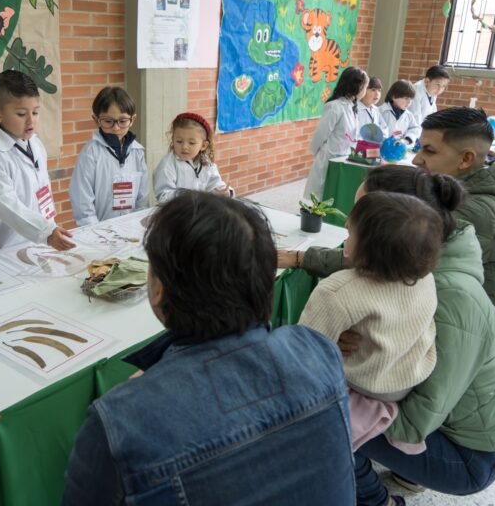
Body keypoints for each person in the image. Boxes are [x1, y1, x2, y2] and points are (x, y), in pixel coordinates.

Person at [62, 191, 355, 505]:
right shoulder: (319, 352)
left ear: (158, 289)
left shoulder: (118, 423)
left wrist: (139, 396)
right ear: (268, 278)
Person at [279, 165, 495, 506]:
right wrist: (300, 258)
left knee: (318, 423)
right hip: (442, 417)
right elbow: (358, 266)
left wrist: (353, 410)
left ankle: (379, 500)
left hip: (471, 454)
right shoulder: (415, 262)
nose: (347, 224)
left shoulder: (455, 299)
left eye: (357, 217)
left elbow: (418, 421)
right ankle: (403, 467)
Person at [299, 191, 442, 450]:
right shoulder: (425, 278)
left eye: (350, 233)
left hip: (366, 383)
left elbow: (304, 352)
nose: (346, 234)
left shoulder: (337, 291)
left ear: (370, 247)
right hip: (408, 379)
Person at [414, 107, 495, 367]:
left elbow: (405, 266)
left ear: (466, 159)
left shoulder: (473, 211)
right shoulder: (475, 190)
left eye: (429, 151)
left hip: (481, 349)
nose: (416, 160)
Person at [0, 70, 76, 254]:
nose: (31, 121)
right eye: (21, 114)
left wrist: (49, 227)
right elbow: (4, 203)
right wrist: (46, 232)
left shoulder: (35, 144)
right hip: (1, 249)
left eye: (35, 112)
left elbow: (43, 191)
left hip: (37, 244)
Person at [69, 86, 149, 226]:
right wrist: (97, 232)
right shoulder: (90, 153)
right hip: (99, 230)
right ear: (96, 119)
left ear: (132, 119)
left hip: (131, 228)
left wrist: (138, 226)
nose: (116, 128)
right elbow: (83, 202)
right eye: (108, 121)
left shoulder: (137, 152)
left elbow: (142, 199)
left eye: (122, 121)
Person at [304, 66, 369, 199]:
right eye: (365, 87)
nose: (365, 91)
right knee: (320, 194)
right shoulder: (335, 106)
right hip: (329, 157)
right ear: (356, 86)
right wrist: (316, 152)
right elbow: (321, 134)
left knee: (334, 193)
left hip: (343, 158)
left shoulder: (353, 106)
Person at [153, 112, 233, 203]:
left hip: (201, 209)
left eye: (191, 143)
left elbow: (214, 184)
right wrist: (195, 197)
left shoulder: (206, 162)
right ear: (173, 140)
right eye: (179, 141)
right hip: (177, 211)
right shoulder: (167, 165)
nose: (184, 147)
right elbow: (163, 196)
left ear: (203, 145)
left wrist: (225, 192)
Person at [378, 80, 421, 146]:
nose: (409, 102)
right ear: (394, 97)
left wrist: (407, 139)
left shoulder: (409, 115)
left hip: (399, 148)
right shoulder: (380, 112)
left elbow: (415, 128)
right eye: (406, 98)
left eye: (411, 99)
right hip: (382, 147)